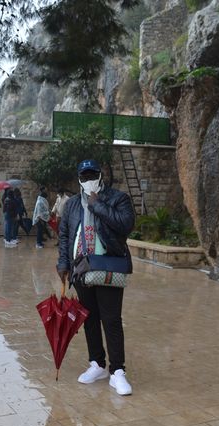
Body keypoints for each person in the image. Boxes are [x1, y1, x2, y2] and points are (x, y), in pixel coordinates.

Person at [56, 159, 135, 395]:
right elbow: (65, 235)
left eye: (92, 175)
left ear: (100, 176)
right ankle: (97, 364)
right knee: (89, 318)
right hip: (81, 268)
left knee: (111, 319)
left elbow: (126, 224)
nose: (88, 179)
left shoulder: (118, 198)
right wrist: (63, 263)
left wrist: (97, 205)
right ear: (79, 178)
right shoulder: (71, 204)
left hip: (108, 266)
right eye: (84, 176)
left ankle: (117, 371)